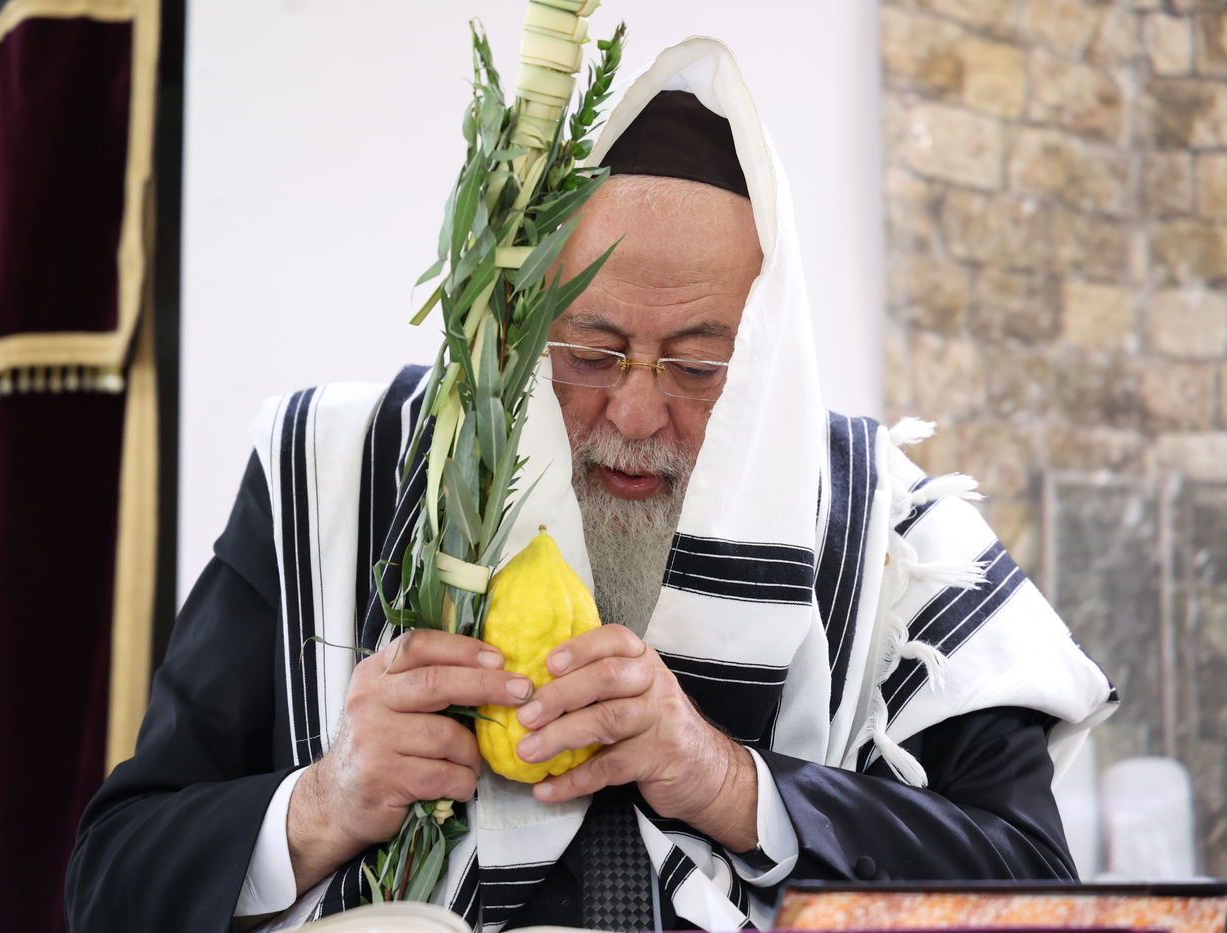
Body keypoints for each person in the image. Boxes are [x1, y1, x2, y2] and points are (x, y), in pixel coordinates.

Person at [66, 38, 1116, 933]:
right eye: (589, 350)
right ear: (522, 327)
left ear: (764, 365)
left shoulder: (889, 534)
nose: (634, 413)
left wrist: (727, 782)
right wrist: (323, 805)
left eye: (700, 365)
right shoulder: (339, 477)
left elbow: (1034, 889)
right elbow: (107, 880)